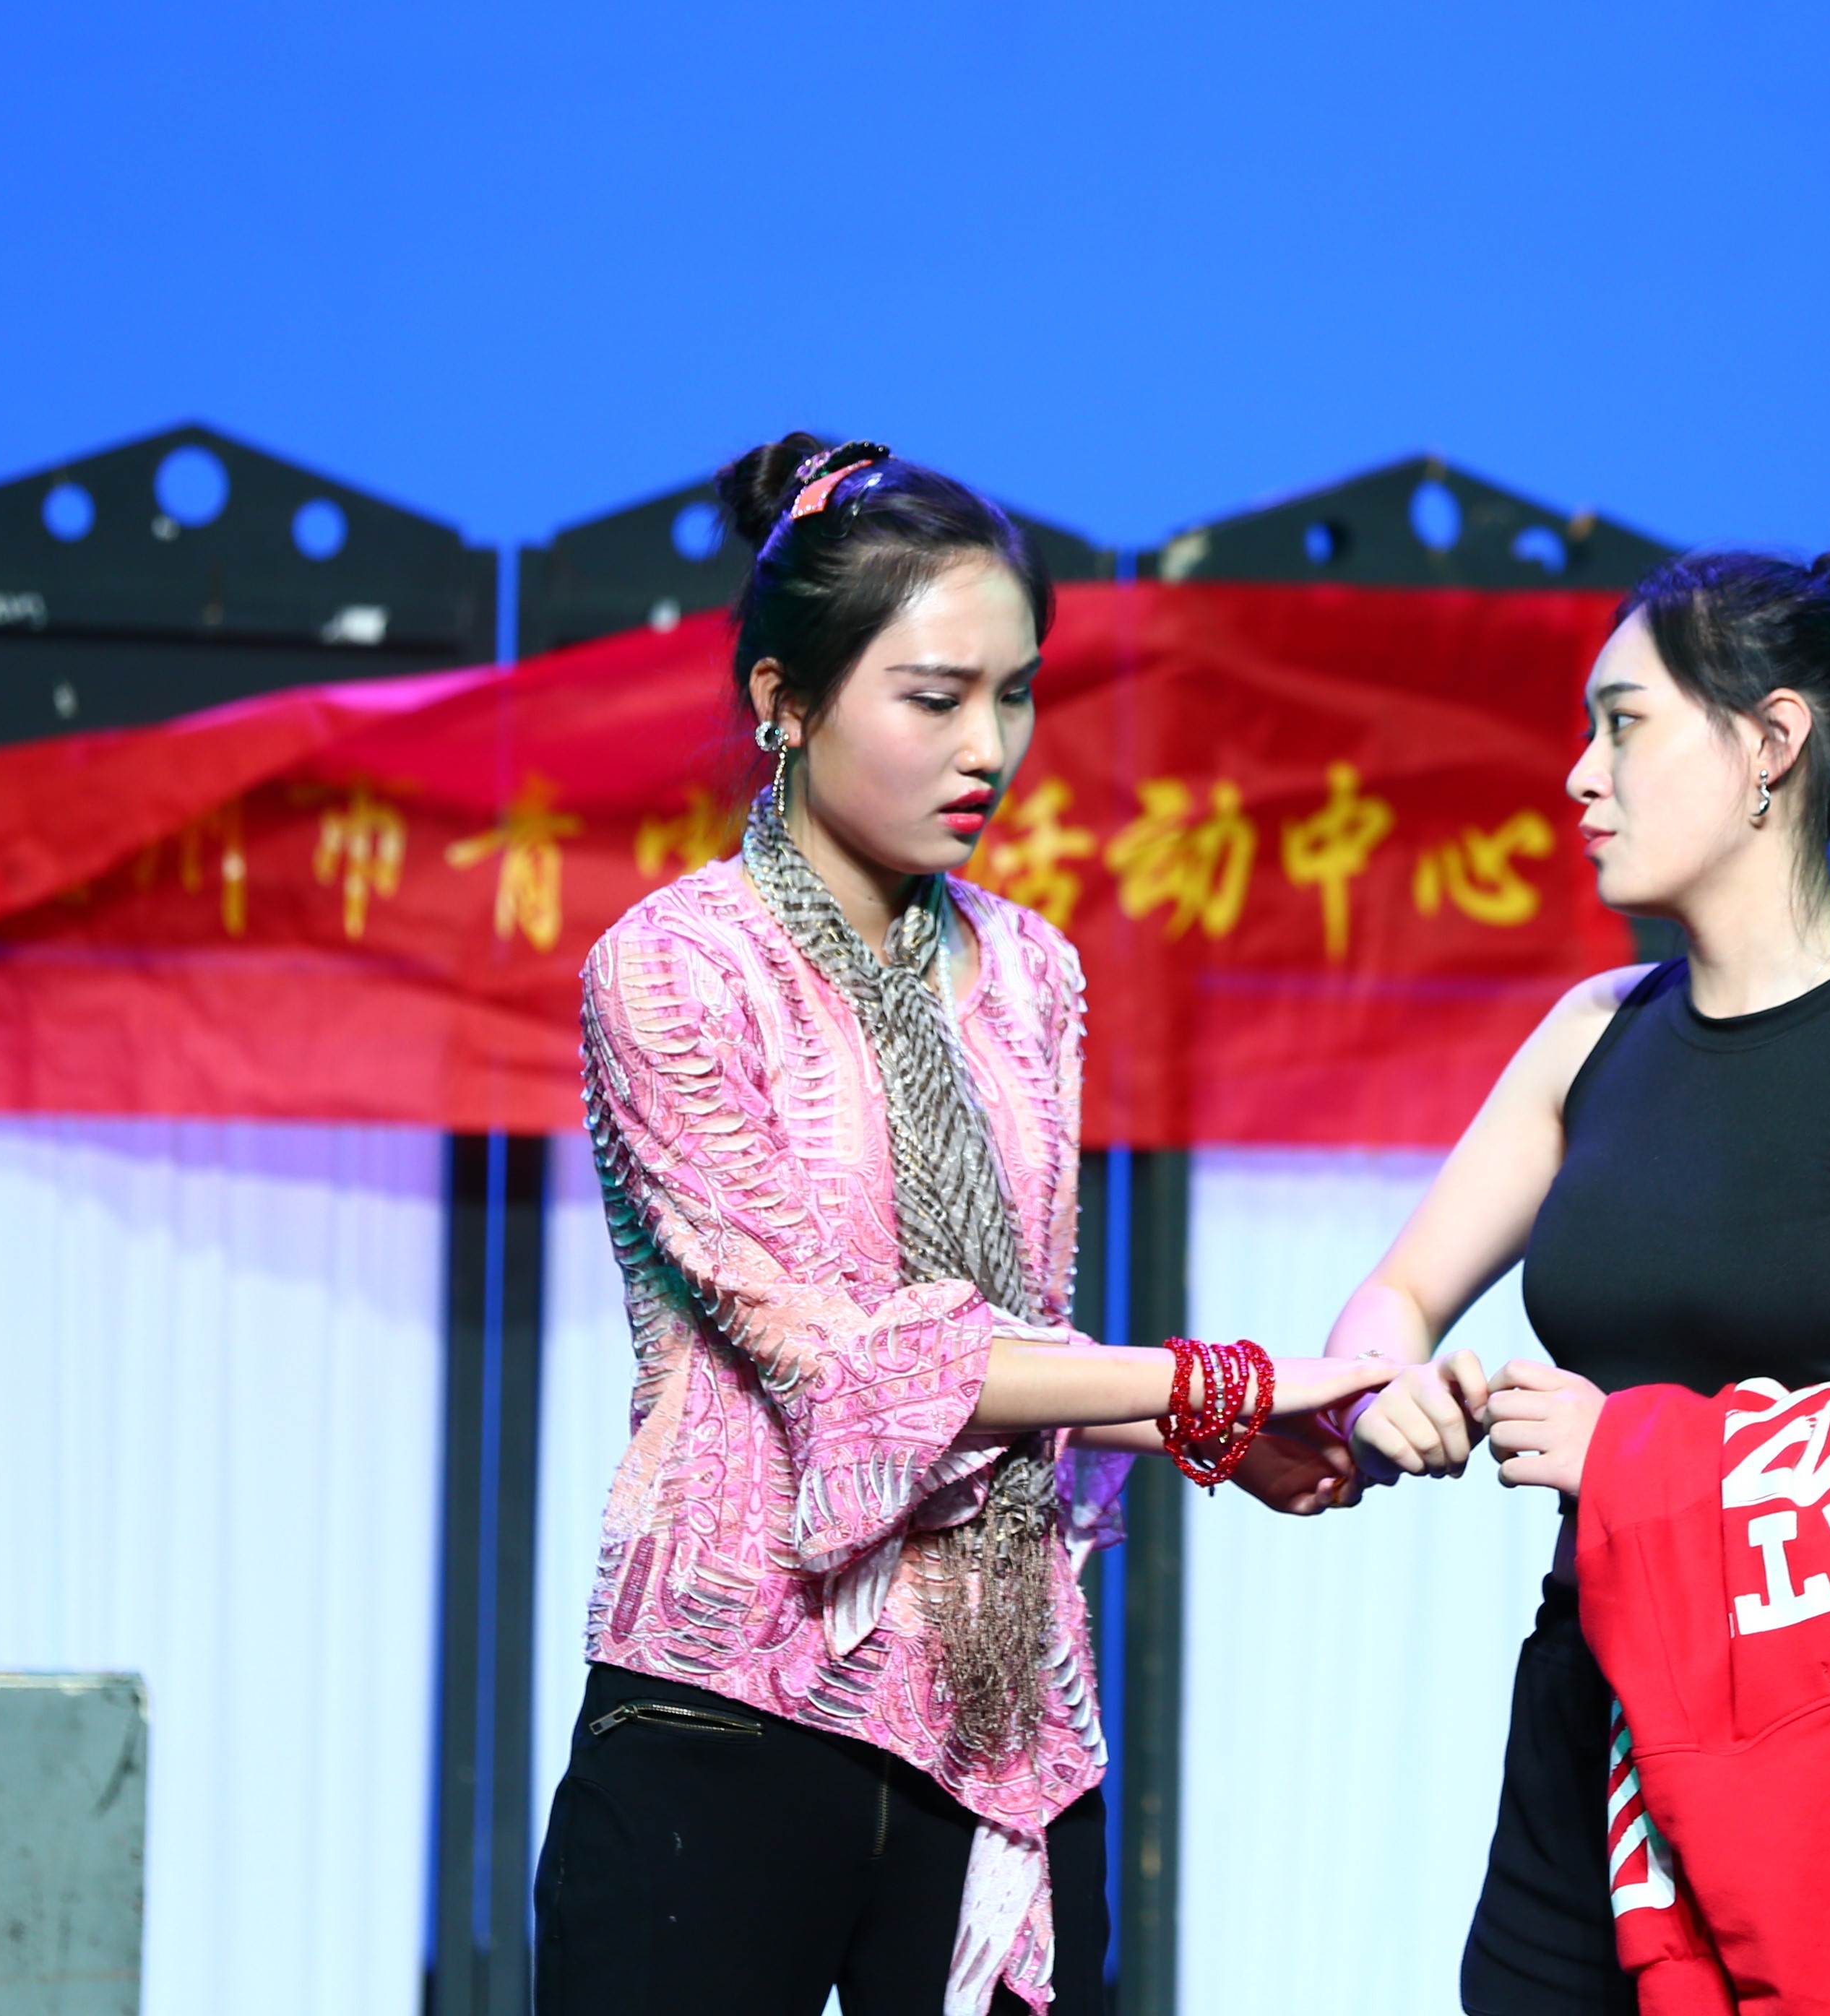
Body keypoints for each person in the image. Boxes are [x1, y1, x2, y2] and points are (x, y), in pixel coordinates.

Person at [536, 436, 1385, 2016]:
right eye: (934, 699)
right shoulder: (676, 968)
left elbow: (1000, 1350)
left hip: (998, 1708)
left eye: (1016, 694)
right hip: (733, 1700)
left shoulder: (1033, 975)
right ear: (784, 701)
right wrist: (1200, 1386)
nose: (987, 747)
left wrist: (1208, 1429)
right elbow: (849, 1367)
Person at [1316, 542, 1830, 2016]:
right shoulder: (1591, 1031)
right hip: (1586, 1721)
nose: (1578, 777)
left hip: (1823, 1757)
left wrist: (1634, 1451)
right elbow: (1395, 1296)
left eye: (1623, 725)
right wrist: (1382, 1384)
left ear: (1770, 745)